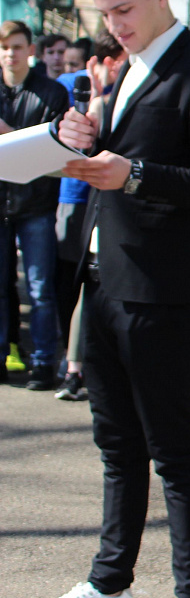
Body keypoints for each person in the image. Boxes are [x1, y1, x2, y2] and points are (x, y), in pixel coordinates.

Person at [55, 0, 190, 598]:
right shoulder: (128, 66)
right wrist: (81, 141)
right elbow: (123, 157)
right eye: (106, 14)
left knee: (173, 453)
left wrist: (130, 172)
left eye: (125, 9)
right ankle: (111, 578)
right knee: (115, 445)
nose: (116, 25)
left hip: (162, 289)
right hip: (105, 278)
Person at [54, 30, 125, 402]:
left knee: (99, 286)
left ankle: (90, 369)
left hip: (112, 207)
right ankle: (73, 369)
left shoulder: (123, 98)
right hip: (78, 202)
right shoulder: (75, 90)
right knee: (79, 285)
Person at [0, 19, 70, 391]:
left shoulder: (52, 93)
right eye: (4, 47)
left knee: (41, 288)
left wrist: (8, 137)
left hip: (36, 204)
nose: (10, 53)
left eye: (17, 46)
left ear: (31, 50)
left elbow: (52, 151)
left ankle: (44, 361)